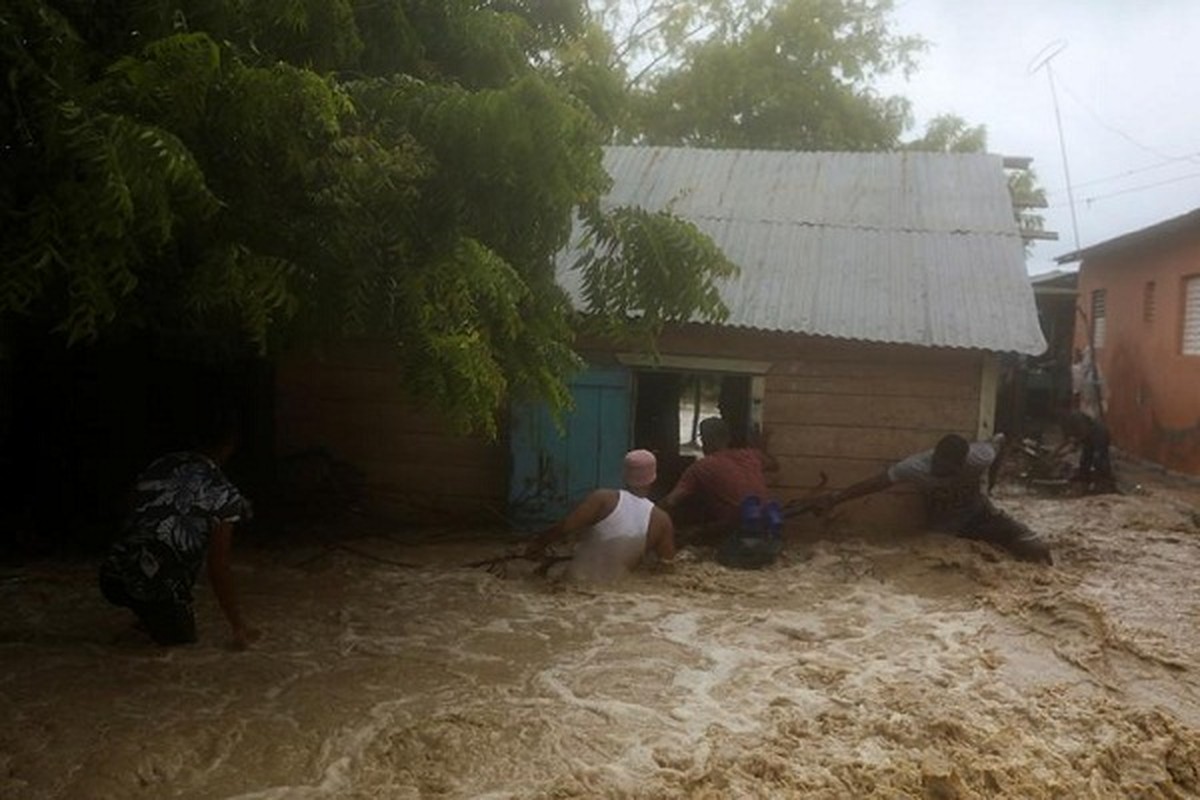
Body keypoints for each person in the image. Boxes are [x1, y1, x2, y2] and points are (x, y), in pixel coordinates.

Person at [99, 407, 259, 648]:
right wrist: (238, 625)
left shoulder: (162, 464)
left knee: (160, 562)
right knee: (181, 644)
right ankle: (150, 613)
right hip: (157, 584)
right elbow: (218, 567)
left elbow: (127, 505)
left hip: (112, 576)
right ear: (231, 445)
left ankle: (144, 615)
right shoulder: (224, 494)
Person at [811, 433, 1053, 565]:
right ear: (934, 457)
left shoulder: (978, 456)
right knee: (931, 560)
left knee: (1036, 548)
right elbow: (876, 483)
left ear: (962, 464)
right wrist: (834, 499)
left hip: (980, 514)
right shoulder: (915, 467)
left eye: (948, 470)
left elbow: (1001, 440)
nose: (941, 472)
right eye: (938, 466)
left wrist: (992, 481)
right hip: (944, 529)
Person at [523, 449, 675, 582]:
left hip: (575, 584)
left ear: (624, 474)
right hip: (618, 594)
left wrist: (538, 544)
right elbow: (667, 570)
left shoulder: (602, 499)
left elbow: (564, 528)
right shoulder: (662, 521)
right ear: (653, 478)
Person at [659, 417, 779, 537]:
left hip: (737, 527)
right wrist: (761, 445)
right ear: (728, 438)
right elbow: (774, 465)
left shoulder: (701, 467)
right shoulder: (750, 455)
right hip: (770, 521)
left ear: (704, 440)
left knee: (688, 534)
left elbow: (671, 501)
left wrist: (649, 513)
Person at [1057, 411, 1116, 493]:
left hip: (1099, 434)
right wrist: (1057, 453)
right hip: (1089, 438)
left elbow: (1085, 432)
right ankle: (1085, 483)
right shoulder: (1067, 424)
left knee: (1098, 458)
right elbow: (1066, 440)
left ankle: (1105, 482)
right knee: (1085, 460)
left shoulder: (1077, 420)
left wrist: (1075, 443)